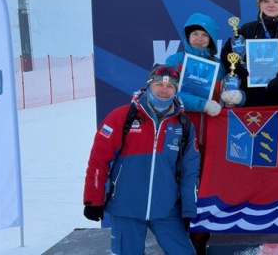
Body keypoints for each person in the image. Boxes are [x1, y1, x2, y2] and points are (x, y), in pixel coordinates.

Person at [83, 65, 200, 255]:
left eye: (170, 86)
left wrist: (188, 208)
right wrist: (92, 199)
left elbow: (190, 172)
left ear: (176, 90)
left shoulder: (183, 125)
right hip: (126, 208)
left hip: (166, 209)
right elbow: (98, 160)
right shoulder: (122, 116)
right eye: (158, 84)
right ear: (148, 86)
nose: (164, 90)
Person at [165, 12, 245, 115]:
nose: (199, 39)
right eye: (195, 34)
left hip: (211, 123)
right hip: (181, 121)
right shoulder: (175, 61)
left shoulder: (220, 65)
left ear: (211, 39)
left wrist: (239, 97)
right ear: (187, 36)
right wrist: (202, 105)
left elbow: (229, 90)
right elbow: (167, 94)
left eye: (205, 35)